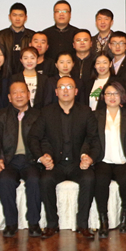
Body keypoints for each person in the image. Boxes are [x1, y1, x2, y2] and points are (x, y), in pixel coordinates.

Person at [28, 76, 101, 239]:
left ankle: (83, 224)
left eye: (69, 87)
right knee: (45, 180)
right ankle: (52, 224)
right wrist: (41, 157)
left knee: (89, 178)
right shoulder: (46, 112)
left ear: (76, 91)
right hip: (56, 164)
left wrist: (90, 158)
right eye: (62, 87)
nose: (66, 90)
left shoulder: (86, 112)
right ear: (56, 92)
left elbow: (94, 139)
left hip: (78, 163)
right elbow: (33, 137)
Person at [0, 80, 43, 237]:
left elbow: (44, 139)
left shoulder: (38, 115)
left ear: (28, 95)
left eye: (22, 92)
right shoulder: (1, 116)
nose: (19, 96)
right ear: (9, 97)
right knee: (5, 181)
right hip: (9, 161)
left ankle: (34, 223)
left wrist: (44, 156)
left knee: (34, 180)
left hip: (30, 160)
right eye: (15, 93)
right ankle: (11, 223)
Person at [93, 81, 126, 238]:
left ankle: (124, 217)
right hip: (103, 160)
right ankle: (103, 221)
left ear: (122, 96)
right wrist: (86, 156)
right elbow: (89, 140)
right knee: (100, 181)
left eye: (116, 93)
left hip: (123, 161)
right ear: (103, 97)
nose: (112, 97)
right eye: (108, 93)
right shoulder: (96, 116)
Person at [0, 2, 35, 73]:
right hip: (5, 74)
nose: (17, 19)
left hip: (26, 74)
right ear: (9, 17)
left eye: (21, 15)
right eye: (14, 15)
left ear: (25, 17)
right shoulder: (0, 36)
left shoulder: (32, 36)